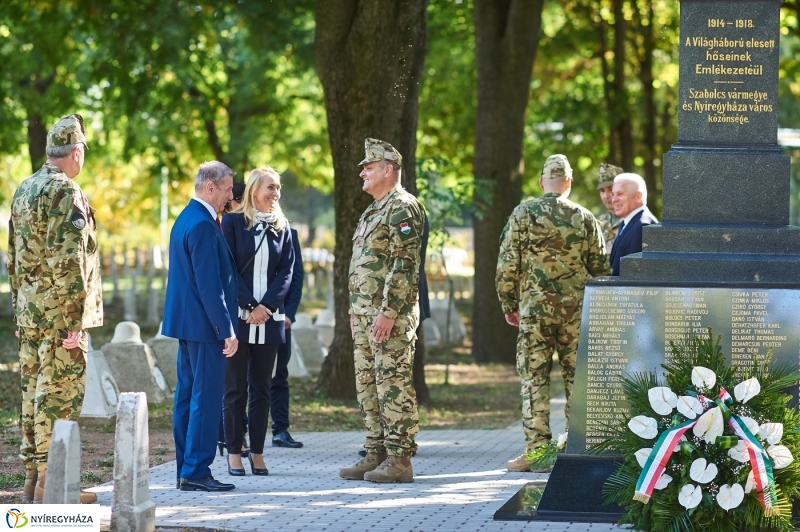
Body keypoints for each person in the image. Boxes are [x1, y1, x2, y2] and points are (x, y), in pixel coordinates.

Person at [8, 114, 103, 504]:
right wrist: (73, 321)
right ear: (76, 152)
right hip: (58, 315)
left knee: (33, 392)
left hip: (30, 312)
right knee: (59, 396)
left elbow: (12, 258)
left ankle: (33, 478)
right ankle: (53, 480)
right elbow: (69, 261)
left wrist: (17, 309)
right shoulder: (65, 191)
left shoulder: (24, 188)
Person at [496, 154, 609, 473]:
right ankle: (578, 451)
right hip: (577, 313)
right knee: (578, 381)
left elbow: (507, 265)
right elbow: (601, 269)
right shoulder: (586, 217)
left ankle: (539, 455)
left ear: (542, 182)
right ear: (569, 182)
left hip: (535, 313)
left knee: (534, 380)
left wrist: (509, 305)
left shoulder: (523, 213)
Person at [339, 138, 424, 483]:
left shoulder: (402, 207)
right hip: (364, 314)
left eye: (369, 166)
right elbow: (365, 266)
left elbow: (405, 264)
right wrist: (354, 309)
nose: (362, 172)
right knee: (368, 385)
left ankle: (400, 458)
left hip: (390, 315)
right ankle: (376, 452)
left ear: (388, 170)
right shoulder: (374, 209)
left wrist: (389, 312)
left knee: (392, 384)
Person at [163, 161, 239, 492]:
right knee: (205, 400)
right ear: (211, 188)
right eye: (227, 189)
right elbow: (210, 286)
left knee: (187, 398)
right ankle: (196, 471)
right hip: (206, 326)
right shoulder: (204, 226)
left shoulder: (185, 218)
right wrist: (227, 329)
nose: (231, 195)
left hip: (186, 323)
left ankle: (186, 468)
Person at [222, 167, 294, 476]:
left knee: (262, 389)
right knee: (235, 390)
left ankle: (259, 451)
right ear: (254, 191)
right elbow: (228, 269)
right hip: (239, 319)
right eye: (270, 187)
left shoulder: (283, 226)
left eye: (278, 188)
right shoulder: (233, 222)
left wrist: (266, 307)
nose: (276, 193)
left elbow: (287, 272)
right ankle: (234, 452)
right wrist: (250, 305)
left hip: (270, 320)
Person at [270, 226, 304, 449]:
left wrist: (289, 314)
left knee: (279, 375)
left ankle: (280, 430)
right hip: (250, 316)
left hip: (281, 318)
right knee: (242, 379)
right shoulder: (242, 228)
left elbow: (296, 276)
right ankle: (239, 434)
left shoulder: (288, 233)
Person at [609, 172, 658, 276]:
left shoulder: (643, 226)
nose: (613, 200)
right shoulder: (626, 223)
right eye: (613, 194)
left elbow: (636, 276)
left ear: (638, 196)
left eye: (620, 194)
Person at [595, 163, 624, 254]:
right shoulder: (599, 222)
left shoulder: (633, 221)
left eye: (610, 189)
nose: (606, 196)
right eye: (602, 191)